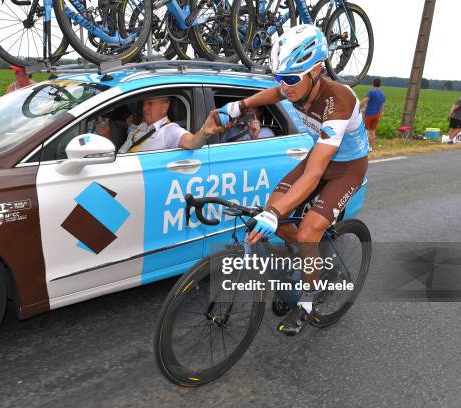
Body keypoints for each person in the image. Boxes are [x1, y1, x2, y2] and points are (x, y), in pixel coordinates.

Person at [216, 24, 369, 336]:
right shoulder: (296, 87)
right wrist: (242, 105)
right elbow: (276, 92)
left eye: (289, 79)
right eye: (278, 77)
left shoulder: (338, 100)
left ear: (316, 70)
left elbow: (314, 174)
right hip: (320, 156)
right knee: (274, 207)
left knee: (309, 229)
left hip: (347, 168)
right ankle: (305, 256)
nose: (283, 86)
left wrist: (275, 216)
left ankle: (309, 301)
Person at [117, 96, 220, 153]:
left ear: (165, 107)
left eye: (150, 103)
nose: (144, 108)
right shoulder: (142, 126)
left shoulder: (170, 130)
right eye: (144, 104)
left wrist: (204, 132)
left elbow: (193, 142)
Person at [360, 78, 386, 149]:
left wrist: (358, 105)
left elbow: (365, 100)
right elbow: (382, 106)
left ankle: (364, 147)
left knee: (366, 131)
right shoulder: (383, 94)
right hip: (377, 116)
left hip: (369, 114)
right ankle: (370, 147)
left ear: (373, 83)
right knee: (373, 132)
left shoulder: (371, 92)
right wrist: (380, 115)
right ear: (380, 84)